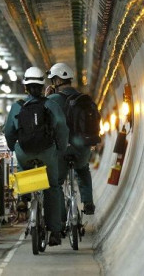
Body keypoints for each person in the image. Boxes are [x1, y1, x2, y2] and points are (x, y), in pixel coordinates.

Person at [4, 66, 69, 246]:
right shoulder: (51, 105)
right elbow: (62, 128)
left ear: (26, 87)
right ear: (42, 86)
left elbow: (9, 131)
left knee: (23, 168)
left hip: (24, 152)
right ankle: (54, 231)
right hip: (47, 153)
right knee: (52, 188)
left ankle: (24, 197)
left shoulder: (17, 107)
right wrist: (61, 149)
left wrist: (13, 147)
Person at [47, 62, 96, 217]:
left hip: (61, 149)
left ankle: (61, 219)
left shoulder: (52, 100)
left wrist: (47, 97)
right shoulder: (83, 99)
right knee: (82, 170)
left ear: (56, 81)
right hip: (83, 148)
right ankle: (88, 203)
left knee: (56, 183)